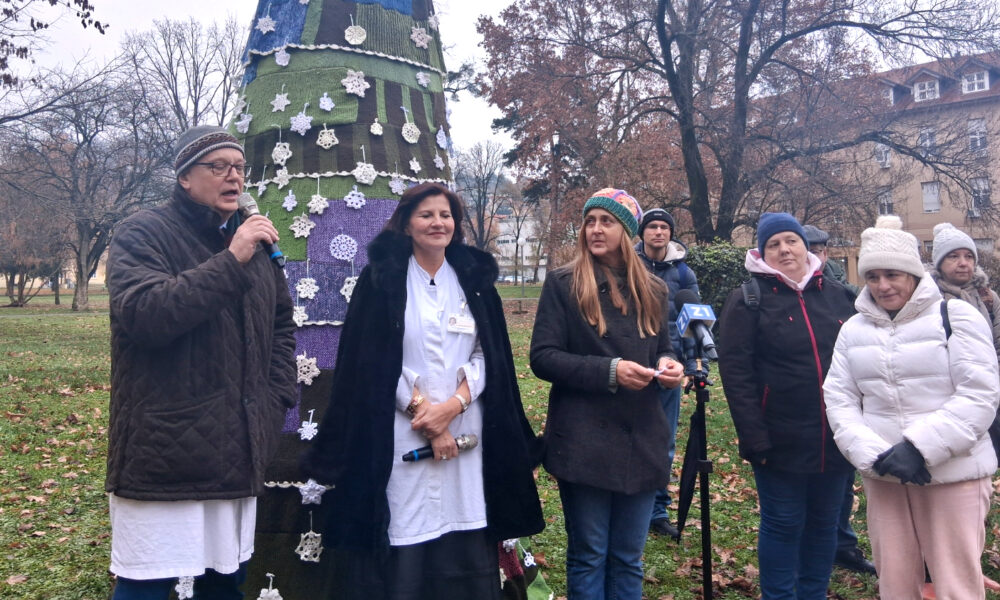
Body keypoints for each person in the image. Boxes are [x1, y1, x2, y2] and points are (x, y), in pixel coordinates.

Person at [302, 182, 544, 600]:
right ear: (407, 223)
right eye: (427, 215)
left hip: (468, 434)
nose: (438, 223)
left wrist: (452, 406)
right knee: (406, 533)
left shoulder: (472, 278)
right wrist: (426, 416)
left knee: (464, 532)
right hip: (398, 434)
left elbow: (492, 355)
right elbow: (372, 359)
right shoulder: (383, 281)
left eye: (446, 215)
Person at [105, 126, 298, 599]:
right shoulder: (142, 233)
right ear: (185, 178)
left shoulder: (254, 245)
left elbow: (281, 329)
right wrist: (231, 260)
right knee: (145, 585)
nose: (233, 177)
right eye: (219, 167)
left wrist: (275, 401)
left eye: (239, 168)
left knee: (225, 583)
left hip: (236, 446)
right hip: (166, 450)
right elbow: (145, 316)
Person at [823, 215, 999, 599]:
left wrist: (919, 448)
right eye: (873, 276)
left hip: (955, 475)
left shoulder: (957, 316)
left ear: (914, 275)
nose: (882, 286)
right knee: (896, 582)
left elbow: (980, 394)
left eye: (892, 275)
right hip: (885, 476)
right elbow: (839, 399)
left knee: (956, 584)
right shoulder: (853, 330)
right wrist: (876, 456)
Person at [530, 188, 685, 600]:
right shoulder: (564, 283)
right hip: (583, 440)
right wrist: (609, 371)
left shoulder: (653, 289)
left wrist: (670, 365)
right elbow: (542, 358)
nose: (595, 229)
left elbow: (664, 346)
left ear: (627, 230)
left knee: (628, 558)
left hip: (642, 437)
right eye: (590, 221)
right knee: (590, 554)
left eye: (607, 221)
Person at [718, 212, 856, 599]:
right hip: (778, 437)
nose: (784, 249)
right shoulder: (748, 300)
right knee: (783, 522)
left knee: (825, 524)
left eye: (790, 241)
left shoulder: (838, 295)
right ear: (762, 252)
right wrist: (754, 437)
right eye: (774, 244)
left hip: (835, 436)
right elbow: (736, 375)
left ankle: (813, 593)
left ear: (804, 245)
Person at [925, 221, 1000, 597]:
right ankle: (932, 572)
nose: (962, 263)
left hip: (986, 403)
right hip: (943, 404)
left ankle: (969, 561)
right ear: (939, 263)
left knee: (978, 487)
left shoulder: (987, 296)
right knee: (938, 490)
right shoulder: (930, 297)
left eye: (968, 255)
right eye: (953, 256)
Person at [801, 225, 875, 577]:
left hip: (846, 401)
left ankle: (842, 544)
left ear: (827, 253)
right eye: (808, 248)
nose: (814, 256)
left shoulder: (844, 294)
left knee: (842, 480)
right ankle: (817, 543)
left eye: (819, 249)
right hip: (803, 405)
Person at [634, 208, 703, 539]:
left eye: (664, 227)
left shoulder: (684, 274)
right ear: (642, 232)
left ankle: (657, 511)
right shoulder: (627, 265)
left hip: (669, 367)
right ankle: (632, 504)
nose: (658, 232)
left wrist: (691, 365)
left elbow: (692, 322)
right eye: (652, 227)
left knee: (664, 440)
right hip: (631, 364)